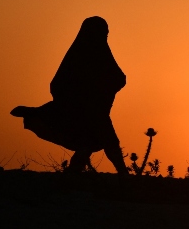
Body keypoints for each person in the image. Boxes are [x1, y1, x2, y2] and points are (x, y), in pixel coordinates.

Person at [11, 16, 129, 174]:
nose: (104, 36)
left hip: (96, 110)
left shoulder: (102, 54)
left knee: (91, 142)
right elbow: (58, 84)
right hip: (82, 110)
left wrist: (102, 90)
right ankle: (123, 176)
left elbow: (118, 78)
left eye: (105, 33)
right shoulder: (78, 55)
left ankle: (77, 173)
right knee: (103, 141)